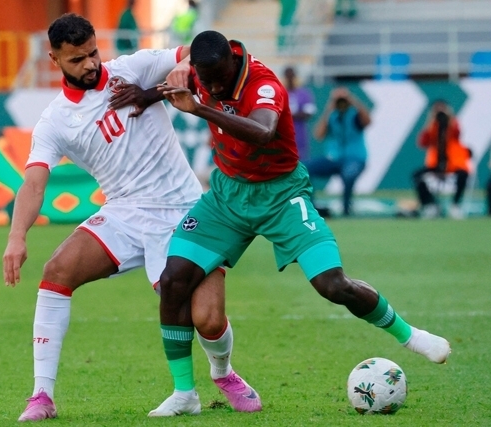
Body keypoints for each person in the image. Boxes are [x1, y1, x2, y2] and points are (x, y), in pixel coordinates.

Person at [153, 30, 451, 415]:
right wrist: (144, 95)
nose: (212, 87)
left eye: (217, 80)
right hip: (228, 196)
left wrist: (199, 107)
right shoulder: (201, 72)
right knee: (174, 278)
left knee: (332, 284)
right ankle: (184, 394)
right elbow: (174, 85)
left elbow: (262, 132)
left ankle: (412, 336)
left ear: (232, 59)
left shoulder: (263, 84)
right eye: (204, 80)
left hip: (282, 195)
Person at [1, 14, 258, 422]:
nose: (89, 65)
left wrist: (184, 62)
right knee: (57, 271)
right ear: (54, 59)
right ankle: (42, 396)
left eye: (92, 53)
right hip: (124, 211)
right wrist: (17, 236)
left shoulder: (132, 69)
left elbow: (207, 45)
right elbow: (34, 184)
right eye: (76, 60)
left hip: (185, 209)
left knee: (207, 320)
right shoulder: (54, 122)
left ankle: (223, 375)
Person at [305, 87, 370, 216]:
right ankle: (311, 207)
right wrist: (329, 109)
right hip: (334, 158)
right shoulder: (332, 116)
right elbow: (318, 135)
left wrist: (353, 101)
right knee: (305, 169)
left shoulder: (354, 114)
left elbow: (368, 121)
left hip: (354, 157)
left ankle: (346, 208)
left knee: (349, 174)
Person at [412, 100, 472, 220]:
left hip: (453, 163)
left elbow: (457, 133)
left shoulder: (452, 123)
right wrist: (431, 122)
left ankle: (455, 205)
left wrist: (448, 118)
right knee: (417, 176)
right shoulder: (432, 125)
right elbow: (423, 142)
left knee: (463, 175)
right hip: (436, 163)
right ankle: (430, 205)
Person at [283, 66, 316, 161]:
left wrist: (288, 115)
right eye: (287, 76)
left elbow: (309, 112)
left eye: (291, 76)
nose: (289, 79)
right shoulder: (280, 93)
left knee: (301, 162)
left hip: (299, 134)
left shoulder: (304, 93)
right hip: (283, 136)